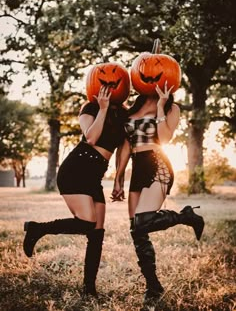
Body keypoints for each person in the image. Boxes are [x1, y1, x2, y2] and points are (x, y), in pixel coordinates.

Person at [23, 85, 128, 298]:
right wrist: (103, 109)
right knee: (87, 223)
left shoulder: (125, 115)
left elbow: (125, 148)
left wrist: (119, 180)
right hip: (76, 170)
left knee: (97, 234)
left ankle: (89, 289)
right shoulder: (90, 108)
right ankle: (36, 229)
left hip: (95, 175)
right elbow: (91, 138)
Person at [112, 81, 205, 302]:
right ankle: (153, 287)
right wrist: (118, 179)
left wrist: (162, 105)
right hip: (138, 167)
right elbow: (125, 146)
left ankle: (185, 216)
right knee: (137, 230)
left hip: (158, 164)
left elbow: (164, 138)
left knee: (143, 221)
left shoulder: (172, 107)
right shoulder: (133, 108)